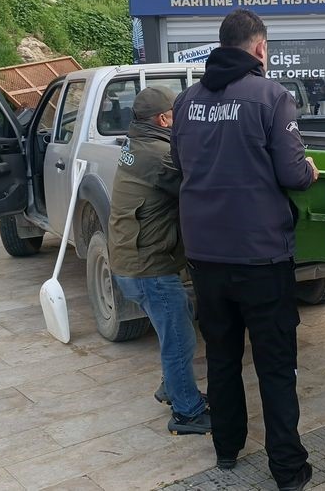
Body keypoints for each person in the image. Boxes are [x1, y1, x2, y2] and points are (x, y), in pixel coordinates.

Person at [170, 8, 317, 491]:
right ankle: (288, 470)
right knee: (275, 366)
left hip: (206, 255)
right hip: (261, 256)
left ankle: (227, 448)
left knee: (222, 356)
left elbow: (180, 163)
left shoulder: (187, 101)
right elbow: (293, 174)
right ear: (259, 49)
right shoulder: (272, 96)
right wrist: (310, 171)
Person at [107, 86, 210, 435]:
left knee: (172, 331)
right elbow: (198, 186)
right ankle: (186, 412)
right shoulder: (158, 154)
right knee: (180, 338)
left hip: (131, 260)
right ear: (164, 119)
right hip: (148, 266)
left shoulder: (135, 145)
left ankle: (174, 388)